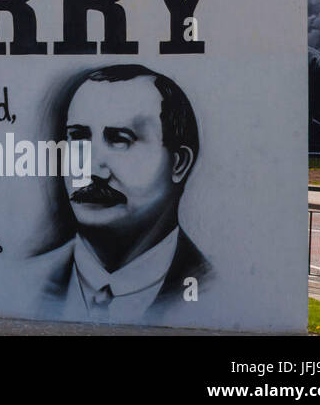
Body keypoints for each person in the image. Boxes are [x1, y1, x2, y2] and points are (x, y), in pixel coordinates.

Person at [28, 64, 211, 323]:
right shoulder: (20, 283)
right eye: (78, 137)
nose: (90, 169)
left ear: (178, 163)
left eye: (120, 139)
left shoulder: (215, 290)